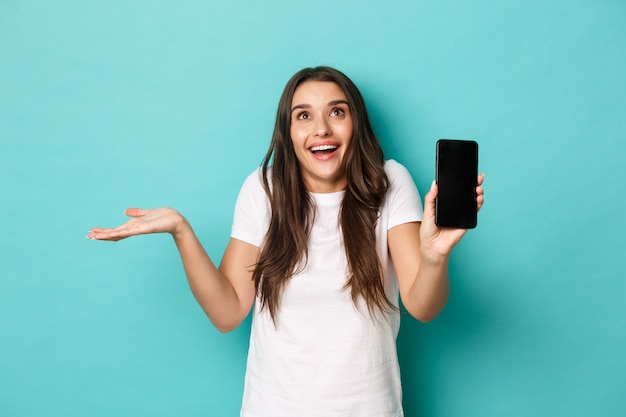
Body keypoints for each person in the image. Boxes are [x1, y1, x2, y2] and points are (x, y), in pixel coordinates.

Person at [88, 66, 485, 417]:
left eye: (337, 111)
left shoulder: (389, 183)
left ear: (355, 124)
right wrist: (181, 231)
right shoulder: (263, 191)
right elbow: (227, 313)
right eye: (304, 116)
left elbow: (423, 306)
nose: (321, 129)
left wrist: (433, 255)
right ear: (289, 132)